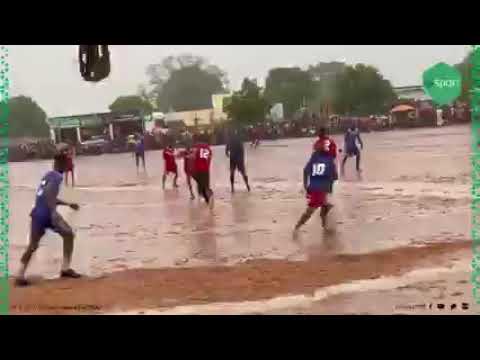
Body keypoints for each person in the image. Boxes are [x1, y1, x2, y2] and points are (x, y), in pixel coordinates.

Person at [16, 149, 81, 287]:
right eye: (67, 163)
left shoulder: (48, 175)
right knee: (69, 234)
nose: (69, 166)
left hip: (37, 212)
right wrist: (52, 212)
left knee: (32, 246)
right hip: (47, 213)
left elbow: (45, 194)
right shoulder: (57, 177)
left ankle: (19, 274)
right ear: (61, 163)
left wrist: (68, 203)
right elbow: (49, 194)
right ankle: (65, 268)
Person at [294, 140, 336, 231]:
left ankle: (297, 228)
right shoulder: (328, 159)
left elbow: (305, 171)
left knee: (310, 210)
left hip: (316, 188)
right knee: (312, 209)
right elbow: (334, 176)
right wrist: (329, 188)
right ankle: (298, 228)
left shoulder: (315, 158)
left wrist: (306, 185)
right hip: (321, 188)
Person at [191, 136, 214, 209]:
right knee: (205, 185)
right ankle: (208, 197)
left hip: (198, 170)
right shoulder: (209, 149)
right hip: (206, 170)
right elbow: (209, 159)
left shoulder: (196, 148)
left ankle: (206, 196)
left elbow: (193, 157)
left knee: (200, 184)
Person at [226, 128, 251, 193]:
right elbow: (242, 150)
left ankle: (232, 188)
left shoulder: (229, 141)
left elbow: (226, 151)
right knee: (243, 173)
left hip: (233, 159)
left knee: (232, 173)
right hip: (238, 159)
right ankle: (247, 186)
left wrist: (229, 155)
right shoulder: (238, 140)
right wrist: (241, 159)